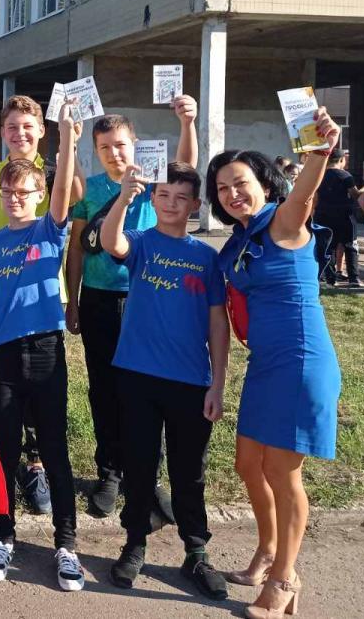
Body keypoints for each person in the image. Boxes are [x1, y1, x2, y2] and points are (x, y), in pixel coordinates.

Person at [207, 108, 343, 619]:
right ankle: (266, 552)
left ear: (265, 184)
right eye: (222, 188)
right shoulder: (239, 240)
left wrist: (320, 153)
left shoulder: (283, 223)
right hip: (265, 364)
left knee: (283, 473)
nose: (231, 194)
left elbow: (303, 196)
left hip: (301, 362)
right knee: (248, 465)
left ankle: (286, 578)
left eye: (240, 183)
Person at [99, 161, 231, 600]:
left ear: (195, 205)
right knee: (139, 465)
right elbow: (111, 242)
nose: (171, 204)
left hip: (190, 381)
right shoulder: (141, 242)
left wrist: (218, 383)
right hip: (136, 375)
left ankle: (196, 551)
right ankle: (135, 541)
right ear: (153, 199)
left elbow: (218, 324)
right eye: (163, 195)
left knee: (189, 471)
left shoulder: (206, 257)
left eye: (181, 198)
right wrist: (124, 197)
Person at [65, 97, 198, 518]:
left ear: (135, 143)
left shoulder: (152, 178)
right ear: (96, 150)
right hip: (99, 300)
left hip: (147, 300)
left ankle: (149, 476)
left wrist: (187, 123)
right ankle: (109, 472)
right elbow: (77, 248)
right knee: (104, 388)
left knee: (148, 389)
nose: (114, 153)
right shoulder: (90, 189)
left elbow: (186, 168)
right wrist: (73, 300)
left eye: (120, 144)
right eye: (104, 147)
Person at [0, 100, 85, 592]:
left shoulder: (49, 229)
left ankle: (66, 544)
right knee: (3, 450)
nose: (15, 198)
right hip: (2, 356)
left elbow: (64, 193)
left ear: (39, 195)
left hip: (45, 351)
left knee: (54, 449)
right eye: (8, 192)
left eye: (24, 192)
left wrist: (68, 139)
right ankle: (3, 536)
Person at [314, 150, 362, 288]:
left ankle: (329, 278)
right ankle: (353, 278)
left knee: (328, 246)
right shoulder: (345, 175)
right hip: (344, 215)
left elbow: (315, 196)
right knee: (350, 245)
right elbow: (355, 194)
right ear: (341, 160)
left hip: (323, 214)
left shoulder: (320, 174)